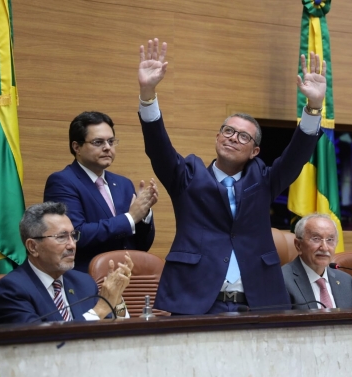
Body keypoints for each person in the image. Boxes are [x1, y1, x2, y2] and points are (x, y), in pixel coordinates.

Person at [137, 38, 323, 314]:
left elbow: (295, 156)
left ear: (254, 151)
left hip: (257, 303)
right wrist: (148, 94)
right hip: (196, 302)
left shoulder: (264, 181)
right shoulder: (186, 177)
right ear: (217, 137)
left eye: (243, 136)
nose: (233, 138)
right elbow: (158, 147)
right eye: (228, 131)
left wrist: (313, 107)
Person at [44, 111, 158, 272]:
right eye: (98, 142)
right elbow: (75, 236)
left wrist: (144, 215)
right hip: (87, 281)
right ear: (77, 147)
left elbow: (140, 245)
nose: (107, 148)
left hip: (128, 278)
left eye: (111, 141)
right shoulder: (62, 182)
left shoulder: (123, 184)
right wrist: (130, 218)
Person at [0, 202, 132, 324]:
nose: (72, 245)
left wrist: (116, 299)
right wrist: (100, 309)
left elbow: (117, 331)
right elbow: (37, 343)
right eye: (61, 237)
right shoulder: (12, 289)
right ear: (33, 247)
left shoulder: (84, 282)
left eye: (73, 236)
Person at [282, 214, 352, 309]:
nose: (324, 247)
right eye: (316, 239)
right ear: (298, 245)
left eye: (330, 240)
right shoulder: (282, 280)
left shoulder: (345, 281)